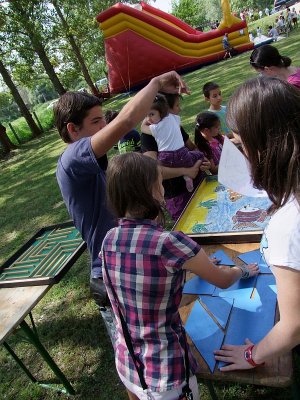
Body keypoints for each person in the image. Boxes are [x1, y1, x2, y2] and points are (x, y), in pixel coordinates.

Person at [102, 152, 259, 399]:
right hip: (166, 374)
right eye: (160, 181)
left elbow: (144, 284)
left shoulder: (109, 239)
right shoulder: (170, 244)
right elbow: (223, 279)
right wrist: (242, 270)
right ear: (154, 191)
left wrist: (192, 264)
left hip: (127, 363)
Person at [54, 71, 190, 313]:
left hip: (129, 261)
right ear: (73, 129)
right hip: (111, 275)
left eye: (103, 119)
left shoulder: (95, 162)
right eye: (96, 122)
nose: (105, 126)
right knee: (133, 346)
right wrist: (155, 82)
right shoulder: (72, 159)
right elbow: (125, 122)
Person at [214, 76, 300, 371]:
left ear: (261, 144)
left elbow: (294, 327)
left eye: (239, 142)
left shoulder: (289, 224)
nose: (239, 153)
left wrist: (253, 355)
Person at [140, 92, 210, 222]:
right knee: (187, 223)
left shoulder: (174, 124)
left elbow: (192, 147)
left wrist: (204, 162)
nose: (180, 109)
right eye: (177, 105)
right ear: (166, 110)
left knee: (210, 215)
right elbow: (153, 172)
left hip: (199, 183)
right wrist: (187, 171)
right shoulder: (148, 136)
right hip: (177, 194)